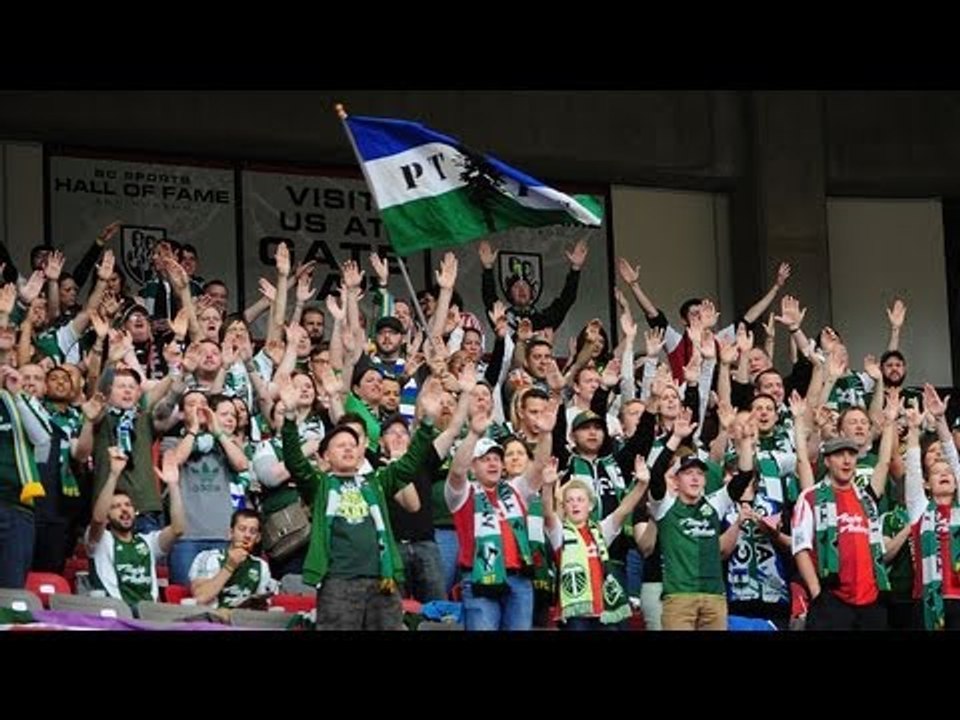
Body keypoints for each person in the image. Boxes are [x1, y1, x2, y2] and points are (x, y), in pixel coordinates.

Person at [279, 377, 441, 630]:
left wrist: (428, 422)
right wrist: (289, 419)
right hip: (338, 582)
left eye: (353, 445)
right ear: (325, 456)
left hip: (383, 581)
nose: (348, 449)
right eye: (340, 445)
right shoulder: (320, 485)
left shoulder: (376, 481)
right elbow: (295, 463)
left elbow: (409, 465)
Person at [85, 448, 185, 607]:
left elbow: (178, 529)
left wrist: (173, 485)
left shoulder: (148, 542)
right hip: (116, 614)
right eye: (116, 507)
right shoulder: (101, 541)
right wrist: (113, 475)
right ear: (108, 517)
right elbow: (98, 518)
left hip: (148, 614)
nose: (124, 509)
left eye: (128, 505)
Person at [189, 509, 277, 608]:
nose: (247, 535)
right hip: (212, 618)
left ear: (258, 538)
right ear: (231, 533)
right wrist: (230, 566)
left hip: (244, 620)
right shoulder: (208, 558)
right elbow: (201, 597)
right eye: (242, 529)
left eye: (253, 531)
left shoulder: (261, 566)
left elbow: (262, 603)